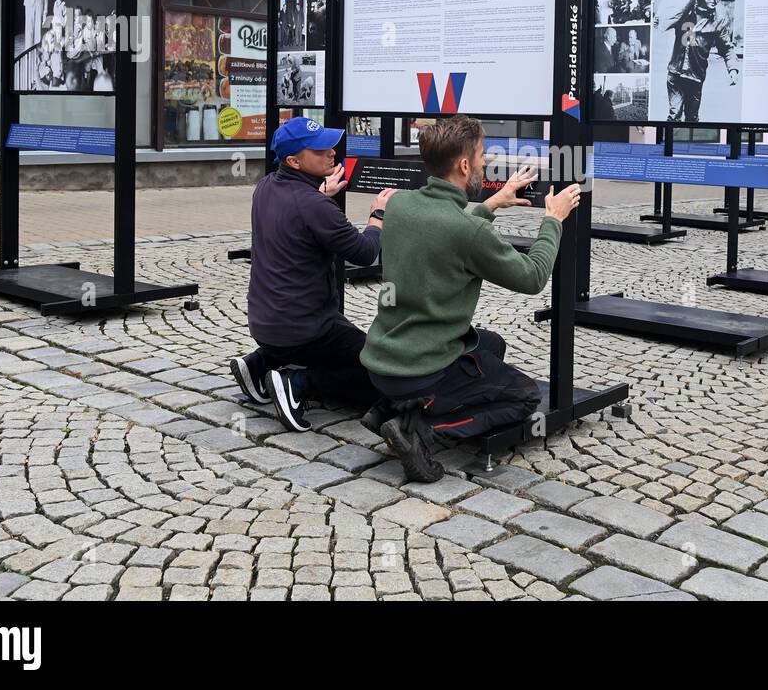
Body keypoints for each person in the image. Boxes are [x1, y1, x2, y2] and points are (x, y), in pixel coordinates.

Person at [361, 115, 582, 482]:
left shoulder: (399, 206)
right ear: (464, 165)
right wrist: (553, 219)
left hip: (381, 360)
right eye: (481, 155)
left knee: (492, 345)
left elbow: (444, 225)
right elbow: (532, 277)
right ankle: (418, 430)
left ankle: (388, 408)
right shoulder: (469, 231)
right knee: (524, 396)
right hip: (419, 369)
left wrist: (493, 202)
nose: (484, 162)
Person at [230, 116, 396, 433]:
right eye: (319, 150)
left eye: (329, 144)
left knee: (340, 348)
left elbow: (300, 214)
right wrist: (378, 216)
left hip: (265, 322)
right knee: (380, 369)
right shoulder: (314, 205)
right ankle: (299, 384)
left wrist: (320, 194)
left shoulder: (266, 186)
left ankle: (258, 363)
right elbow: (363, 253)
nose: (332, 152)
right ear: (294, 160)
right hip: (306, 330)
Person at [658, 0, 738, 123]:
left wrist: (733, 69)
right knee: (674, 115)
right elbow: (666, 21)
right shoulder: (686, 11)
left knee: (692, 118)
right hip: (676, 73)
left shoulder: (719, 20)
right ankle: (668, 143)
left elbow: (726, 48)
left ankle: (688, 144)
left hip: (696, 76)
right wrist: (661, 18)